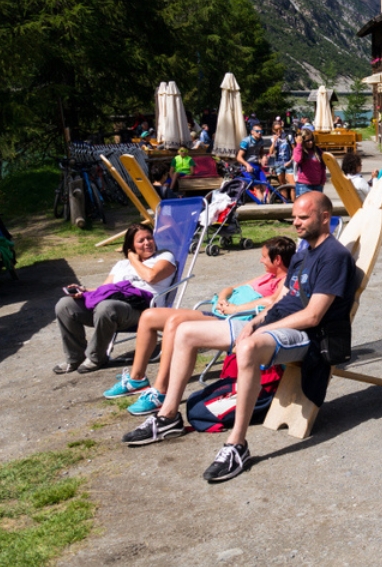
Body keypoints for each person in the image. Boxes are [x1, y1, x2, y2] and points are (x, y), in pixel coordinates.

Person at [122, 193, 357, 483]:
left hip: (307, 336)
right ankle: (168, 416)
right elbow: (280, 299)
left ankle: (237, 444)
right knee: (185, 331)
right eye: (294, 217)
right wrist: (255, 321)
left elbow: (313, 316)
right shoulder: (302, 253)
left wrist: (263, 329)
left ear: (324, 218)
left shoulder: (334, 256)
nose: (296, 222)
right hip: (273, 324)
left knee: (247, 348)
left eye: (303, 217)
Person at [104, 237, 296, 416]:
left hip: (232, 320)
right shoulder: (266, 276)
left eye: (264, 257)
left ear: (277, 260)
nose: (261, 261)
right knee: (149, 316)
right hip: (222, 311)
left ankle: (161, 390)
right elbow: (231, 288)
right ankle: (137, 379)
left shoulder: (285, 280)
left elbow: (272, 301)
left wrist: (235, 308)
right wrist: (222, 299)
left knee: (175, 323)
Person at [54, 224, 177, 374]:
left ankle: (96, 357)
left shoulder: (165, 257)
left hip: (144, 310)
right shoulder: (121, 265)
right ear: (131, 245)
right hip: (113, 308)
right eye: (141, 240)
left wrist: (133, 259)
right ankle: (75, 358)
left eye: (149, 238)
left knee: (106, 307)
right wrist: (84, 290)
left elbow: (151, 277)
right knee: (65, 305)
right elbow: (104, 289)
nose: (147, 243)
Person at [341, 153, 382, 222]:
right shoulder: (359, 181)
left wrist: (371, 179)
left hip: (356, 209)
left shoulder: (347, 180)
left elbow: (364, 188)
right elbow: (375, 195)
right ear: (355, 166)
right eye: (360, 164)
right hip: (370, 209)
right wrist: (375, 178)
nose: (361, 166)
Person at [293, 129, 325, 197]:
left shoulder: (318, 151)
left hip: (317, 185)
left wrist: (323, 180)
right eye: (307, 141)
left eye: (312, 140)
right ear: (302, 141)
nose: (310, 142)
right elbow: (297, 160)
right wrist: (299, 144)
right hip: (303, 185)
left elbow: (322, 166)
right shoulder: (298, 150)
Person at [268, 120, 295, 199]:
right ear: (273, 130)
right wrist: (274, 141)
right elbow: (270, 152)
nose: (279, 131)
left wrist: (291, 161)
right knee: (282, 185)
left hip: (288, 163)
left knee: (293, 185)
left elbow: (295, 151)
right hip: (278, 164)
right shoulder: (273, 139)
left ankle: (294, 202)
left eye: (280, 128)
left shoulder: (288, 137)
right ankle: (285, 202)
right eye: (276, 129)